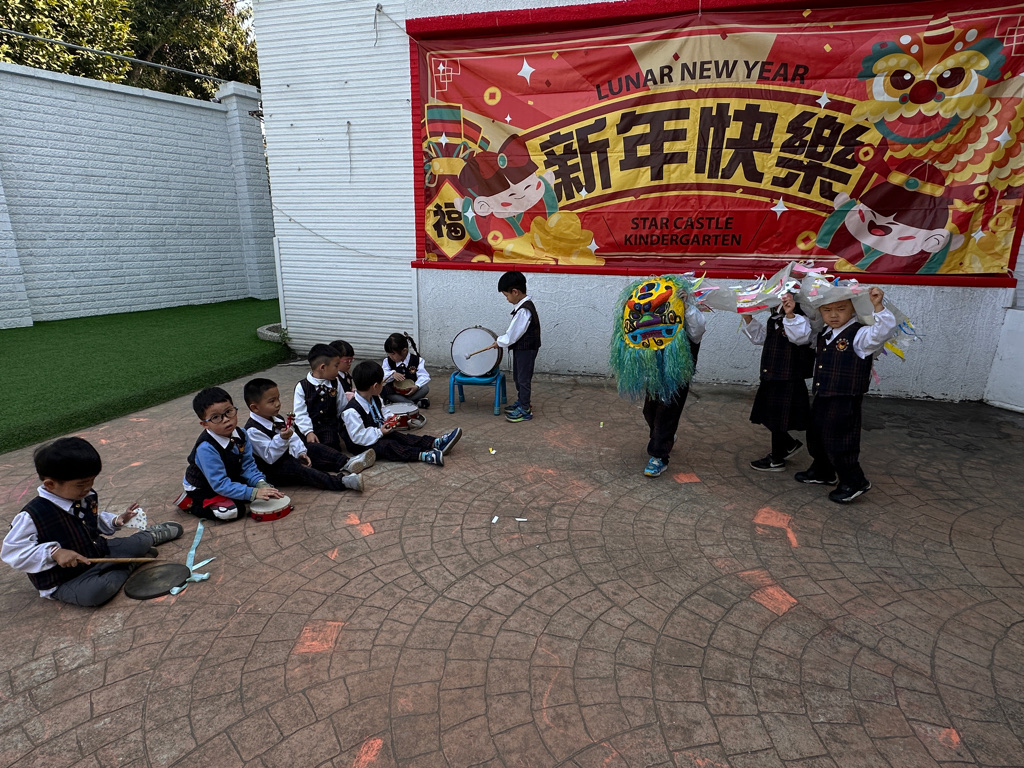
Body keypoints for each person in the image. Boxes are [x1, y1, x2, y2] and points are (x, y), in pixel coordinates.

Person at [1, 437, 183, 606]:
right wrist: (54, 553)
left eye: (92, 481)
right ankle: (128, 565)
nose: (88, 488)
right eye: (81, 484)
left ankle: (148, 537)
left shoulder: (84, 496)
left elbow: (91, 520)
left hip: (98, 552)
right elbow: (12, 552)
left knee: (137, 544)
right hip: (66, 579)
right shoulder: (31, 516)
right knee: (97, 592)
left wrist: (116, 520)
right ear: (50, 484)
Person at [785, 286, 897, 502]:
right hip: (823, 394)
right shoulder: (825, 333)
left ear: (853, 308)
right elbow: (800, 337)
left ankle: (854, 480)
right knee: (817, 434)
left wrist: (878, 307)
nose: (834, 315)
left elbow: (882, 332)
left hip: (845, 398)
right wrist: (790, 314)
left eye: (841, 309)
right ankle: (823, 471)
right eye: (827, 310)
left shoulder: (860, 334)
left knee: (840, 440)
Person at [243, 378, 373, 493]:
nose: (278, 403)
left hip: (288, 455)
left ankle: (347, 462)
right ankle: (342, 481)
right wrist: (282, 439)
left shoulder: (276, 418)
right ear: (255, 408)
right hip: (275, 470)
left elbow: (293, 438)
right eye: (272, 401)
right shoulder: (253, 430)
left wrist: (300, 453)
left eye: (278, 398)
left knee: (312, 448)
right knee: (302, 471)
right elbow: (269, 456)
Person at [177, 387, 285, 521]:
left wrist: (260, 483)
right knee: (234, 511)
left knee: (264, 486)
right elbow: (219, 484)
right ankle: (190, 504)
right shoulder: (206, 448)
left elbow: (248, 465)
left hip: (227, 477)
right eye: (215, 417)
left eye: (229, 412)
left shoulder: (241, 434)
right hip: (203, 487)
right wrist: (253, 493)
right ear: (205, 424)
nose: (226, 419)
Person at [741, 291, 818, 471]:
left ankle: (776, 459)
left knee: (777, 418)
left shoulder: (800, 319)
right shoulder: (774, 319)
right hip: (771, 374)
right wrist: (747, 316)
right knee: (765, 412)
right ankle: (788, 444)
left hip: (788, 377)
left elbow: (800, 337)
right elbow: (761, 338)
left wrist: (790, 314)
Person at [343, 361, 462, 465]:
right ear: (375, 386)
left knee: (400, 437)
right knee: (388, 446)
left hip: (377, 432)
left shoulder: (375, 397)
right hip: (361, 445)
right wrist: (379, 432)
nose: (383, 385)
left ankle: (435, 443)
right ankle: (423, 455)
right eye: (382, 383)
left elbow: (383, 411)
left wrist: (391, 418)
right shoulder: (352, 411)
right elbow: (358, 436)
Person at [641, 295, 706, 477]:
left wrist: (685, 306)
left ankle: (659, 457)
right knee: (649, 411)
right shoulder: (656, 317)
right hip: (655, 373)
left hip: (677, 374)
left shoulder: (691, 313)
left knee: (666, 414)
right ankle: (665, 437)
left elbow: (698, 331)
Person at [486, 270, 541, 423]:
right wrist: (501, 341)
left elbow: (513, 335)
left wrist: (499, 342)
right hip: (522, 348)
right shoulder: (522, 308)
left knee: (523, 378)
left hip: (526, 350)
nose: (507, 299)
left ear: (515, 292)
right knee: (518, 376)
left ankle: (525, 409)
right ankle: (522, 401)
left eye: (506, 295)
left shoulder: (524, 311)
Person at [293, 343, 346, 450]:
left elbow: (342, 406)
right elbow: (300, 413)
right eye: (336, 366)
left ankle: (339, 458)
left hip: (328, 428)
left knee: (330, 444)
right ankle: (344, 459)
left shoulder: (335, 383)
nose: (338, 370)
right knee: (308, 447)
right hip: (308, 428)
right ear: (322, 367)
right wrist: (308, 432)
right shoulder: (302, 386)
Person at [382, 333, 431, 409]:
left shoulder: (417, 360)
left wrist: (416, 386)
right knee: (385, 390)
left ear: (404, 351)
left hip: (411, 392)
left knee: (425, 388)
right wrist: (392, 374)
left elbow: (424, 376)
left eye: (393, 354)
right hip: (396, 392)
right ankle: (414, 403)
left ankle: (402, 402)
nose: (390, 357)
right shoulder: (387, 361)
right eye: (389, 354)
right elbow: (383, 375)